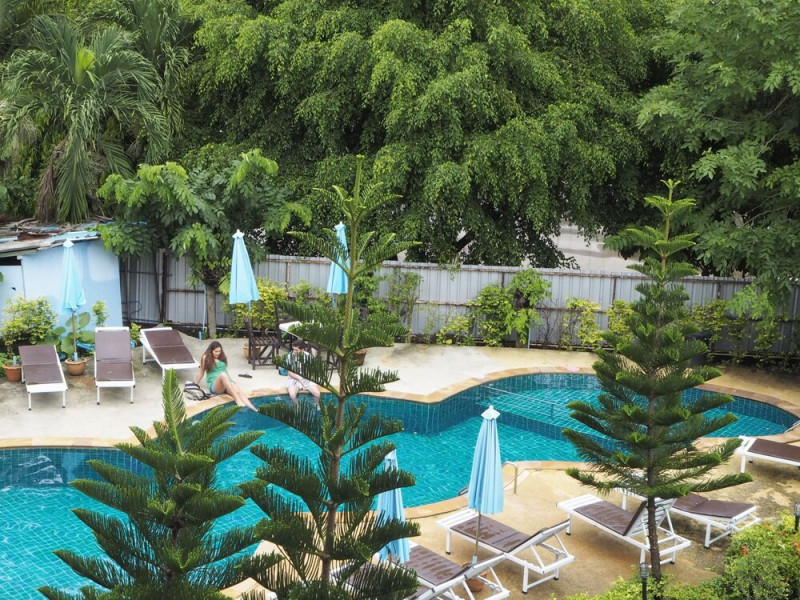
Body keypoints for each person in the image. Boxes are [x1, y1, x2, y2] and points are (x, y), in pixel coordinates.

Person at [195, 341, 257, 411]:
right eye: (216, 351)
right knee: (223, 374)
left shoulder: (221, 357)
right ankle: (237, 400)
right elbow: (201, 372)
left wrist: (232, 383)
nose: (218, 353)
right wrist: (195, 384)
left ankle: (253, 409)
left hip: (227, 383)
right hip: (215, 385)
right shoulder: (205, 357)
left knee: (239, 392)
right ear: (211, 350)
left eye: (219, 351)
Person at [286, 340, 321, 408]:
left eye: (296, 350)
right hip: (294, 378)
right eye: (293, 349)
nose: (294, 351)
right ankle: (298, 407)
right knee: (292, 395)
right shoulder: (290, 356)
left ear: (302, 350)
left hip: (306, 378)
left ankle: (316, 404)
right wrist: (299, 379)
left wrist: (305, 378)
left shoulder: (308, 356)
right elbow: (290, 373)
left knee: (317, 394)